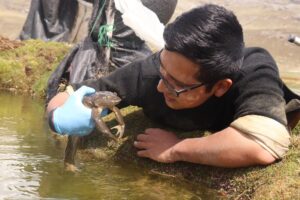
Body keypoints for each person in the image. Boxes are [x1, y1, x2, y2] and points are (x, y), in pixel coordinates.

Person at [47, 4, 300, 168]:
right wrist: (58, 115)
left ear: (221, 87)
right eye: (162, 72)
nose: (160, 87)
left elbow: (264, 143)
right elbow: (71, 94)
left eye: (175, 85)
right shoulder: (151, 72)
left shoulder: (255, 69)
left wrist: (176, 149)